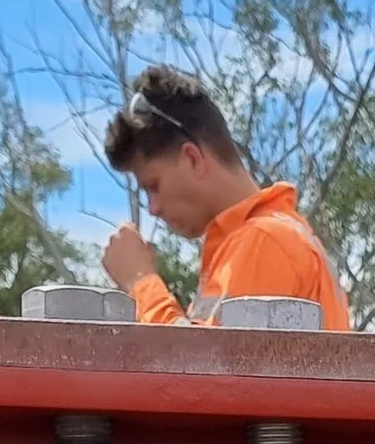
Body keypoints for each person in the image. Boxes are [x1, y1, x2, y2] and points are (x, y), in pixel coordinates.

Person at [99, 69, 351, 329]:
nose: (153, 208)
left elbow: (196, 366)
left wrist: (140, 281)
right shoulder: (255, 241)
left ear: (193, 159)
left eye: (154, 186)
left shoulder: (265, 241)